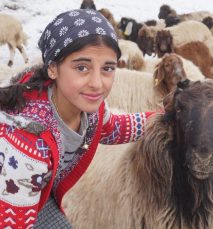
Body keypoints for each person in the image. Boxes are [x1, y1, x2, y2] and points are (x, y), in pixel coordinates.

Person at [0, 9, 155, 228]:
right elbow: (11, 221)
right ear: (53, 68)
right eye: (82, 67)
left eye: (107, 68)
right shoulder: (28, 145)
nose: (97, 83)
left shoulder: (90, 110)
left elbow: (112, 128)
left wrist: (165, 118)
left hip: (34, 192)